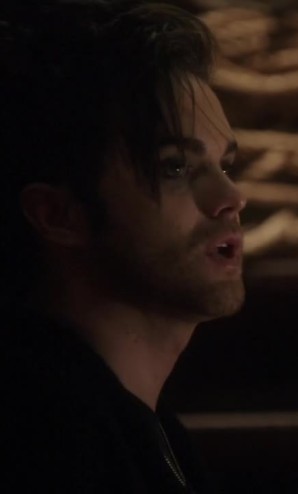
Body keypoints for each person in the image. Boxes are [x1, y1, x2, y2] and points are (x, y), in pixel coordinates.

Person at [0, 1, 246, 491]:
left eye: (225, 165)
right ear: (59, 214)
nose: (231, 197)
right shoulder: (46, 439)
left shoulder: (140, 429)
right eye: (175, 167)